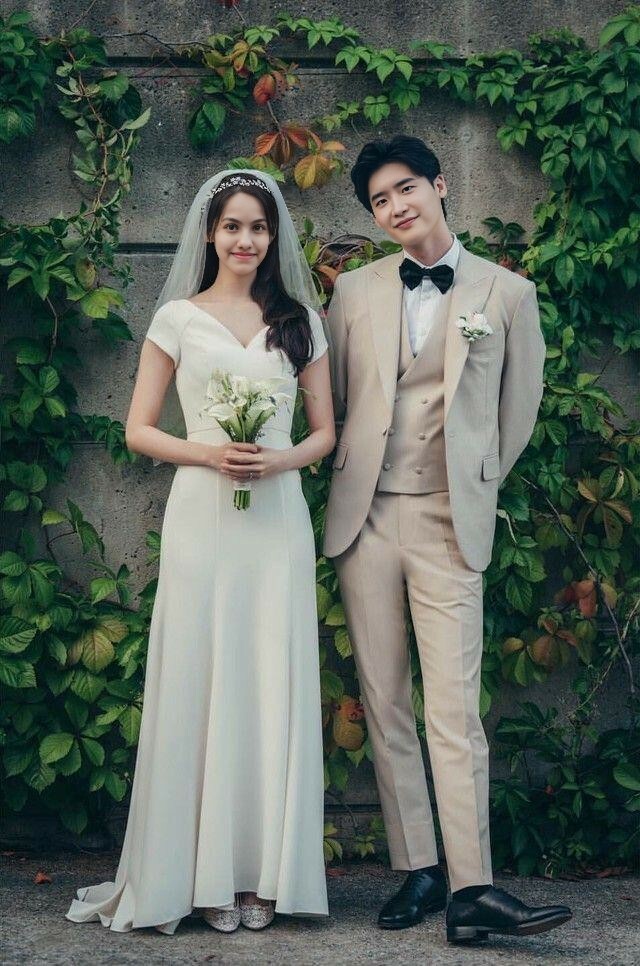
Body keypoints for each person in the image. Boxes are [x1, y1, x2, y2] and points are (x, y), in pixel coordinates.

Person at [65, 170, 334, 935]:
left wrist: (278, 461)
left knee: (269, 680)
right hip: (202, 517)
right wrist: (210, 454)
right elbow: (138, 429)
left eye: (258, 227)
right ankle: (203, 874)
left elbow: (325, 433)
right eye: (233, 227)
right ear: (210, 235)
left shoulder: (300, 323)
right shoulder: (176, 319)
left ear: (273, 236)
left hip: (276, 521)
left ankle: (262, 875)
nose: (246, 240)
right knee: (201, 677)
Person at [323, 135, 572, 943]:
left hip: (448, 519)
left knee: (455, 710)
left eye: (405, 189)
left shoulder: (508, 292)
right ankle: (420, 868)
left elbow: (517, 412)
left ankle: (473, 888)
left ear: (438, 184)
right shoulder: (353, 291)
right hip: (365, 518)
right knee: (386, 699)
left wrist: (471, 478)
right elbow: (336, 400)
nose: (396, 207)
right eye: (379, 201)